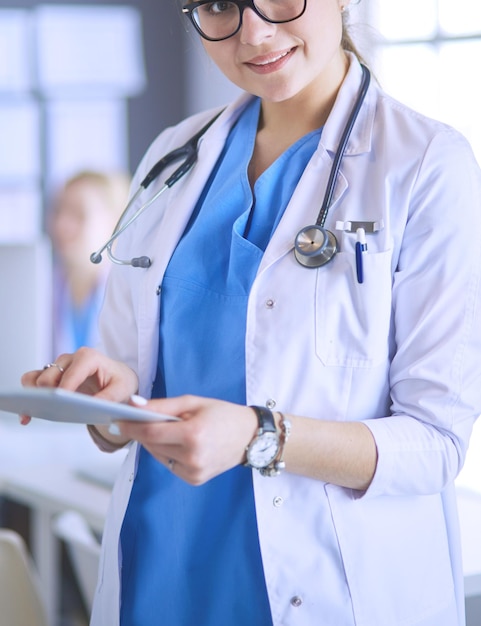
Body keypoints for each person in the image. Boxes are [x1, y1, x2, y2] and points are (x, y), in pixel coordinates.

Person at [21, 0, 481, 624]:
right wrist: (105, 400)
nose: (255, 32)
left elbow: (436, 441)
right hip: (163, 577)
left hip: (327, 592)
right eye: (218, 6)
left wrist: (260, 437)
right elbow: (130, 377)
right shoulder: (173, 154)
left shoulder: (427, 165)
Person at [47, 170, 130, 356]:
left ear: (115, 222)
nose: (61, 225)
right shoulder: (45, 288)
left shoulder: (132, 293)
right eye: (58, 211)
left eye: (78, 214)